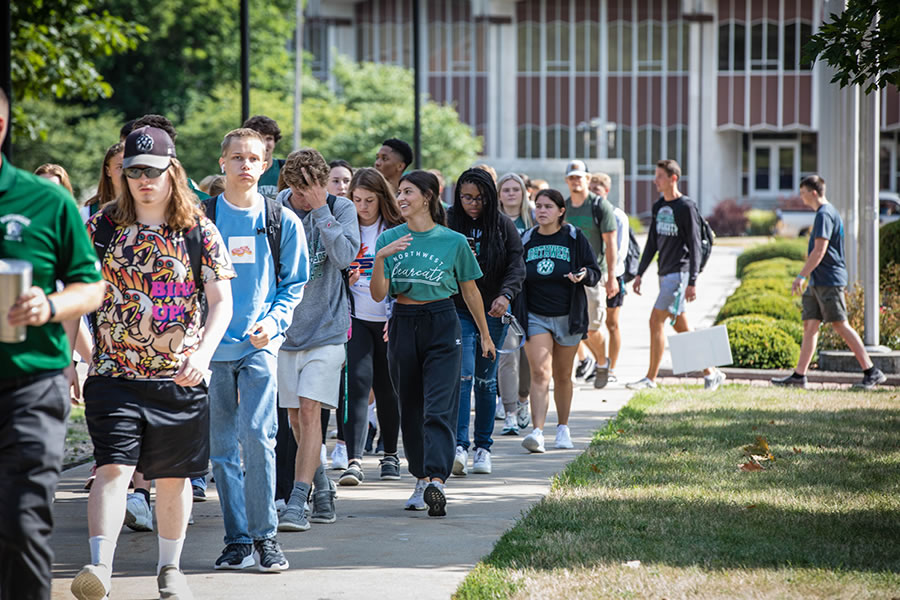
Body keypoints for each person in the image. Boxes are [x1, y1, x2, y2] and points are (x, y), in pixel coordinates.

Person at [72, 126, 235, 600]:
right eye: (134, 171)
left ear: (173, 173)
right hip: (113, 375)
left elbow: (222, 302)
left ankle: (169, 569)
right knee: (112, 470)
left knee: (172, 478)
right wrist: (74, 361)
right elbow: (79, 296)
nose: (143, 180)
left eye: (153, 171)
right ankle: (99, 566)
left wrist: (203, 356)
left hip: (178, 377)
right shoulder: (101, 226)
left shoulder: (197, 229)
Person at [0, 88, 105, 600]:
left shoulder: (45, 202)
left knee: (22, 523)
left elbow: (91, 285)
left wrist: (49, 306)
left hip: (29, 384)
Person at [206, 128, 308, 573]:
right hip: (209, 349)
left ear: (266, 165)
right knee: (222, 448)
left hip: (259, 346)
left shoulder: (281, 219)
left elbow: (293, 284)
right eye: (237, 158)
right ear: (223, 163)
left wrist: (274, 320)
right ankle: (237, 540)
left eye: (253, 158)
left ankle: (266, 537)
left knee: (258, 437)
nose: (245, 165)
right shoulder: (201, 219)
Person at [371, 171, 495, 516]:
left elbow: (470, 290)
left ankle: (438, 480)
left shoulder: (453, 241)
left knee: (440, 404)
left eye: (408, 192)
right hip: (403, 323)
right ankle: (421, 478)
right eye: (399, 193)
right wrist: (381, 258)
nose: (401, 198)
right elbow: (379, 293)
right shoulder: (389, 239)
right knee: (409, 405)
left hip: (443, 322)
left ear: (428, 196)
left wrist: (485, 334)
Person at [274, 148, 359, 529]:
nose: (309, 196)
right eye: (302, 190)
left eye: (316, 188)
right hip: (285, 332)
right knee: (295, 419)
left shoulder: (340, 208)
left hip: (328, 328)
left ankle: (297, 500)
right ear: (290, 186)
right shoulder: (274, 210)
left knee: (311, 412)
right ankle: (322, 486)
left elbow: (344, 257)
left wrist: (323, 209)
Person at [772, 175, 886, 390]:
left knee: (840, 324)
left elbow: (819, 250)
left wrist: (801, 276)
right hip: (818, 280)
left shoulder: (825, 214)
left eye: (803, 192)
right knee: (810, 325)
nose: (801, 197)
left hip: (828, 280)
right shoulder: (824, 213)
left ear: (813, 192)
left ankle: (872, 371)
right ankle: (799, 376)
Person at [448, 168, 524, 476]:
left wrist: (505, 296)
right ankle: (459, 445)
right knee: (463, 375)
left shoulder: (503, 225)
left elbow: (517, 265)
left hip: (494, 312)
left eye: (479, 198)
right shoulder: (449, 221)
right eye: (466, 197)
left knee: (485, 380)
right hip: (459, 310)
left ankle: (483, 447)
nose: (472, 204)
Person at [627, 159, 726, 391]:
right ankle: (711, 372)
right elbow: (652, 242)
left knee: (655, 321)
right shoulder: (659, 205)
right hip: (665, 272)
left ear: (673, 178)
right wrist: (640, 273)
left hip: (679, 274)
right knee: (681, 327)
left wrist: (692, 280)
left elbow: (695, 245)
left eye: (659, 176)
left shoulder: (686, 207)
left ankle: (650, 379)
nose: (655, 181)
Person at [519, 189, 601, 454]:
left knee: (563, 375)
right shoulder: (527, 239)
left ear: (560, 211)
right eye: (538, 206)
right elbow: (516, 272)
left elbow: (594, 271)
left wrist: (583, 274)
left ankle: (563, 428)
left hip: (568, 315)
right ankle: (537, 431)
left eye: (548, 207)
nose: (541, 211)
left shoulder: (574, 237)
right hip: (535, 316)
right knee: (540, 373)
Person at [343, 167, 405, 483]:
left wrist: (395, 313)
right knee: (356, 383)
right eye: (357, 200)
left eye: (369, 200)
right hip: (356, 320)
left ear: (382, 199)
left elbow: (407, 275)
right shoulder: (347, 227)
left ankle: (390, 454)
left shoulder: (395, 229)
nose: (363, 207)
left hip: (388, 319)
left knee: (387, 388)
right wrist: (346, 279)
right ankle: (354, 458)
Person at [563, 160, 618, 387]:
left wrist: (612, 276)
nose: (576, 181)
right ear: (567, 181)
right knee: (570, 326)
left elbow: (611, 242)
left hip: (593, 276)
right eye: (572, 177)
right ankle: (585, 366)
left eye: (580, 177)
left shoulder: (599, 206)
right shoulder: (563, 207)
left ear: (588, 179)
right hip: (567, 278)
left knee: (592, 327)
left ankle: (602, 362)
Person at [496, 172, 533, 435]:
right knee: (508, 355)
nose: (510, 193)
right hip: (504, 294)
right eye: (506, 190)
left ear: (523, 193)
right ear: (499, 195)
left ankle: (523, 401)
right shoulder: (494, 223)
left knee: (528, 357)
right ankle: (509, 411)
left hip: (531, 295)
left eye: (515, 189)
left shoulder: (533, 220)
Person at [593, 172, 630, 383]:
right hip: (593, 275)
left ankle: (612, 368)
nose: (594, 192)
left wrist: (611, 276)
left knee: (612, 323)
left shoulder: (618, 216)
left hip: (613, 275)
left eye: (598, 189)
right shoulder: (588, 212)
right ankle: (599, 362)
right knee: (590, 325)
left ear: (606, 191)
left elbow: (620, 249)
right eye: (592, 188)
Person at [243, 115, 284, 201]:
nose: (264, 144)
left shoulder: (285, 169)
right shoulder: (238, 171)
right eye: (260, 138)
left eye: (269, 139)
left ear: (275, 142)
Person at [84, 142, 125, 220]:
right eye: (120, 167)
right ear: (108, 171)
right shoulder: (89, 211)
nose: (125, 172)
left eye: (130, 167)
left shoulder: (146, 209)